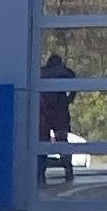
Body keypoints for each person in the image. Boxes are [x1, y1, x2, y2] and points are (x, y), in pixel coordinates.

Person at [36, 51, 78, 190]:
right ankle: (68, 171)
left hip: (47, 111)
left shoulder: (42, 72)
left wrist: (69, 98)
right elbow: (73, 78)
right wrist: (70, 98)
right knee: (59, 143)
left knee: (44, 142)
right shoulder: (63, 72)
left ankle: (40, 173)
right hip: (56, 111)